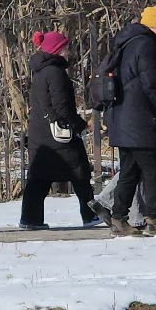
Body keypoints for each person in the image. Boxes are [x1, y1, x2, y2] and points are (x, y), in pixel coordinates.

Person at [103, 5, 156, 236]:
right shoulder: (147, 44)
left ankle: (119, 219)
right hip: (141, 120)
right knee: (155, 169)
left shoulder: (126, 42)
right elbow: (151, 84)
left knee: (130, 171)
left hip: (122, 118)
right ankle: (154, 219)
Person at [19, 31, 101, 230]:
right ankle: (90, 215)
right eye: (65, 47)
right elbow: (62, 106)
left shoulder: (40, 71)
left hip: (40, 133)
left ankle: (30, 218)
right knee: (79, 172)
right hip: (58, 134)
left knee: (39, 177)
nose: (68, 51)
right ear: (57, 50)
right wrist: (80, 125)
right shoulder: (55, 73)